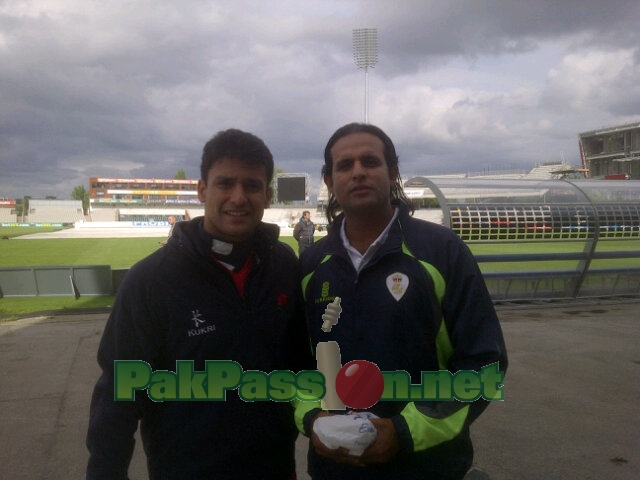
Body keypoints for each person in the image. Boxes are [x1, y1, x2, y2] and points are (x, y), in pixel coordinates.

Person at [87, 128, 313, 479]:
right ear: (202, 189)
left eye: (252, 186)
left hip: (274, 468)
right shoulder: (150, 280)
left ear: (268, 195)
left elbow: (300, 363)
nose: (239, 197)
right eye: (225, 183)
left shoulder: (283, 265)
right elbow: (118, 393)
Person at [294, 123, 508, 480]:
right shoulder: (311, 266)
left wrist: (406, 432)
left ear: (392, 173)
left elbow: (484, 365)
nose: (358, 171)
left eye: (370, 161)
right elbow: (296, 363)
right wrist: (312, 417)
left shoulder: (443, 252)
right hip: (335, 467)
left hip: (428, 466)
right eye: (345, 165)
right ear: (329, 181)